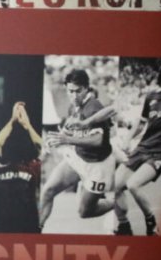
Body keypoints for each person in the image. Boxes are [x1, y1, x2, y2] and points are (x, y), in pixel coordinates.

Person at [111, 57, 161, 235]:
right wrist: (127, 139)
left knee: (133, 185)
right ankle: (123, 226)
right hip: (141, 149)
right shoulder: (152, 96)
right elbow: (142, 122)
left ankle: (151, 222)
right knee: (114, 186)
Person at [38, 69, 116, 230]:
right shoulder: (73, 106)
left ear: (86, 88)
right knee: (48, 190)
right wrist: (56, 138)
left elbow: (98, 141)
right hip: (79, 158)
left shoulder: (93, 106)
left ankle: (116, 202)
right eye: (70, 91)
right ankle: (37, 229)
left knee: (84, 212)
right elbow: (71, 130)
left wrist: (67, 140)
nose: (74, 95)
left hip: (97, 166)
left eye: (78, 91)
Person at [0, 102, 43, 233]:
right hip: (26, 228)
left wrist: (12, 121)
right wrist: (27, 125)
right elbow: (42, 147)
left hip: (5, 229)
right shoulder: (32, 168)